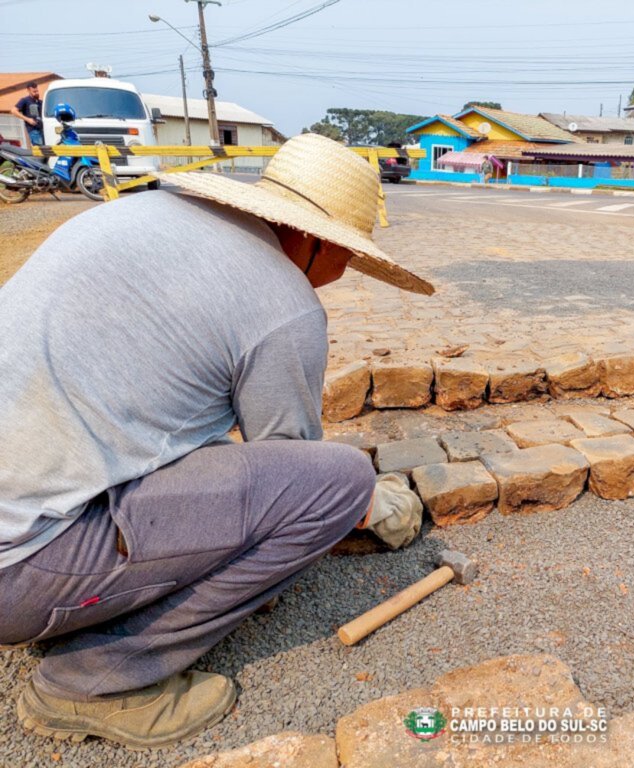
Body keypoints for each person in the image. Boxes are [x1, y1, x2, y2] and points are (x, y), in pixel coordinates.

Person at [0, 134, 433, 748]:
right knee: (341, 482)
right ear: (315, 239)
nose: (344, 274)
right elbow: (296, 463)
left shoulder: (135, 212)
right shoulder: (284, 304)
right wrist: (366, 502)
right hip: (17, 573)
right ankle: (92, 678)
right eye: (349, 257)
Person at [12, 81, 44, 146]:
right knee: (40, 150)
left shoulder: (40, 102)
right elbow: (14, 111)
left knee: (46, 150)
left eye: (37, 91)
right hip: (33, 130)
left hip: (42, 129)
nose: (36, 93)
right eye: (34, 92)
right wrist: (28, 119)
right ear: (28, 91)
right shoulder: (25, 100)